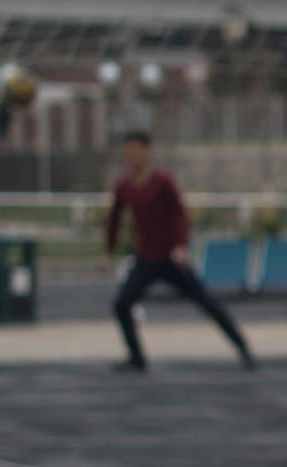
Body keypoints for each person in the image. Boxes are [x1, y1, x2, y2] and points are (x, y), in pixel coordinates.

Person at [104, 131, 255, 373]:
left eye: (136, 149)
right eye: (127, 150)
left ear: (147, 151)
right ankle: (136, 358)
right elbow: (113, 219)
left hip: (171, 258)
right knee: (122, 304)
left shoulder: (162, 181)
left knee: (206, 302)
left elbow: (180, 215)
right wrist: (107, 251)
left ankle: (243, 348)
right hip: (145, 259)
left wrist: (181, 246)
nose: (131, 155)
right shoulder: (124, 186)